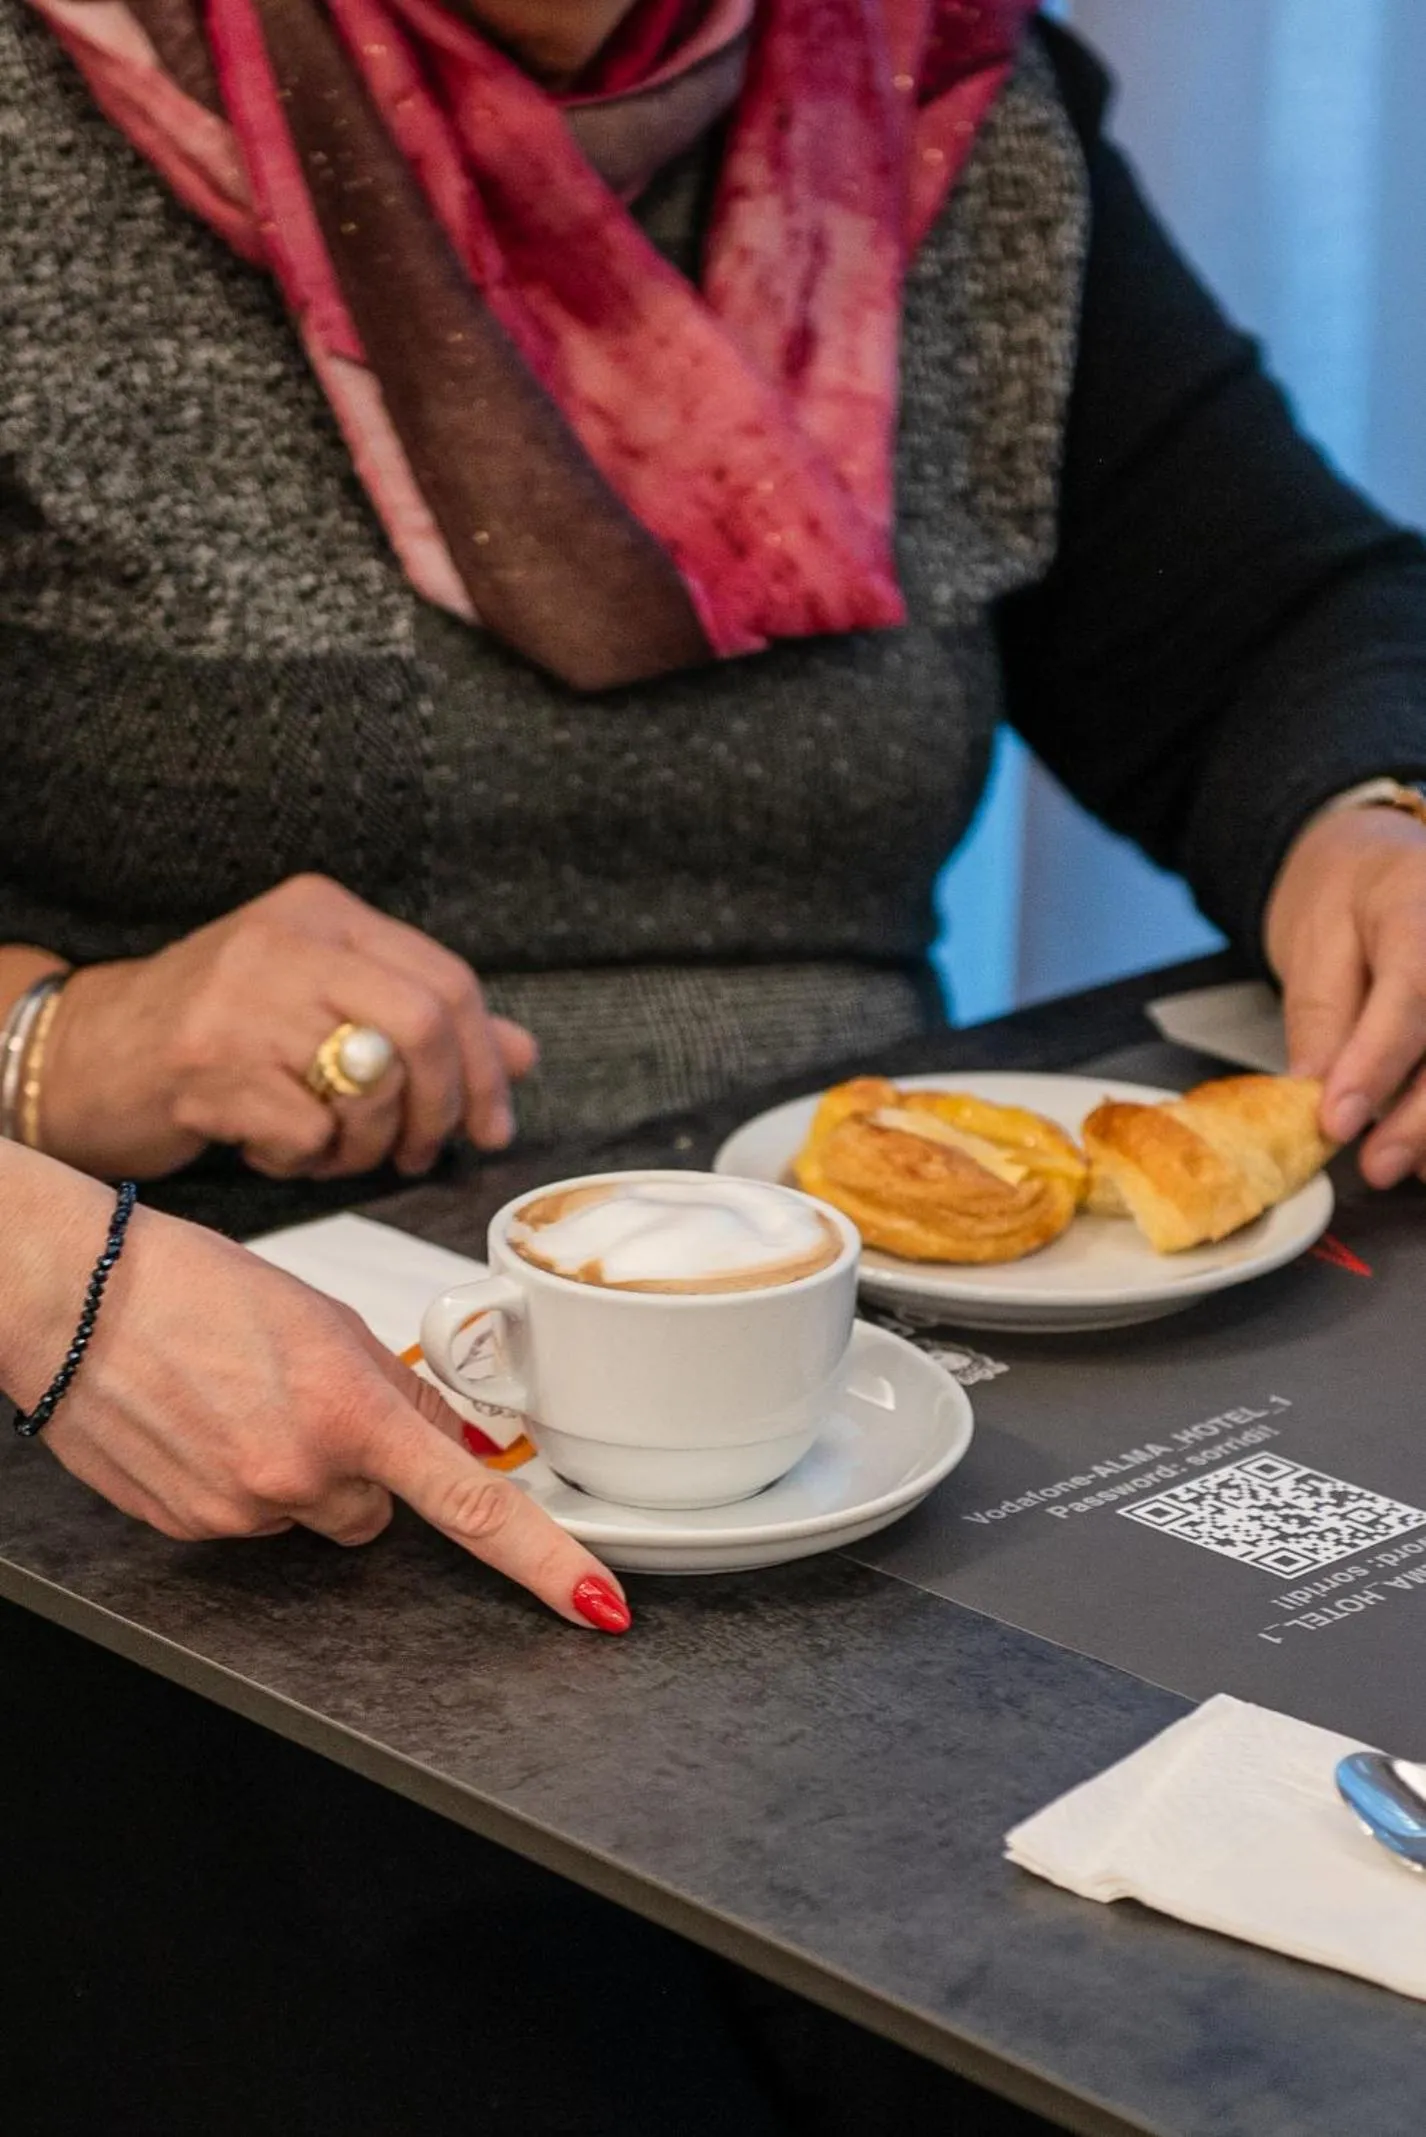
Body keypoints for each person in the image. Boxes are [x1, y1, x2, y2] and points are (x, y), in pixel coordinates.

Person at [2, 0, 1426, 1203]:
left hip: (875, 1286)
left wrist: (1365, 832)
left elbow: (1270, 627)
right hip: (189, 1324)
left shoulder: (930, 70)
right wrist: (68, 1043)